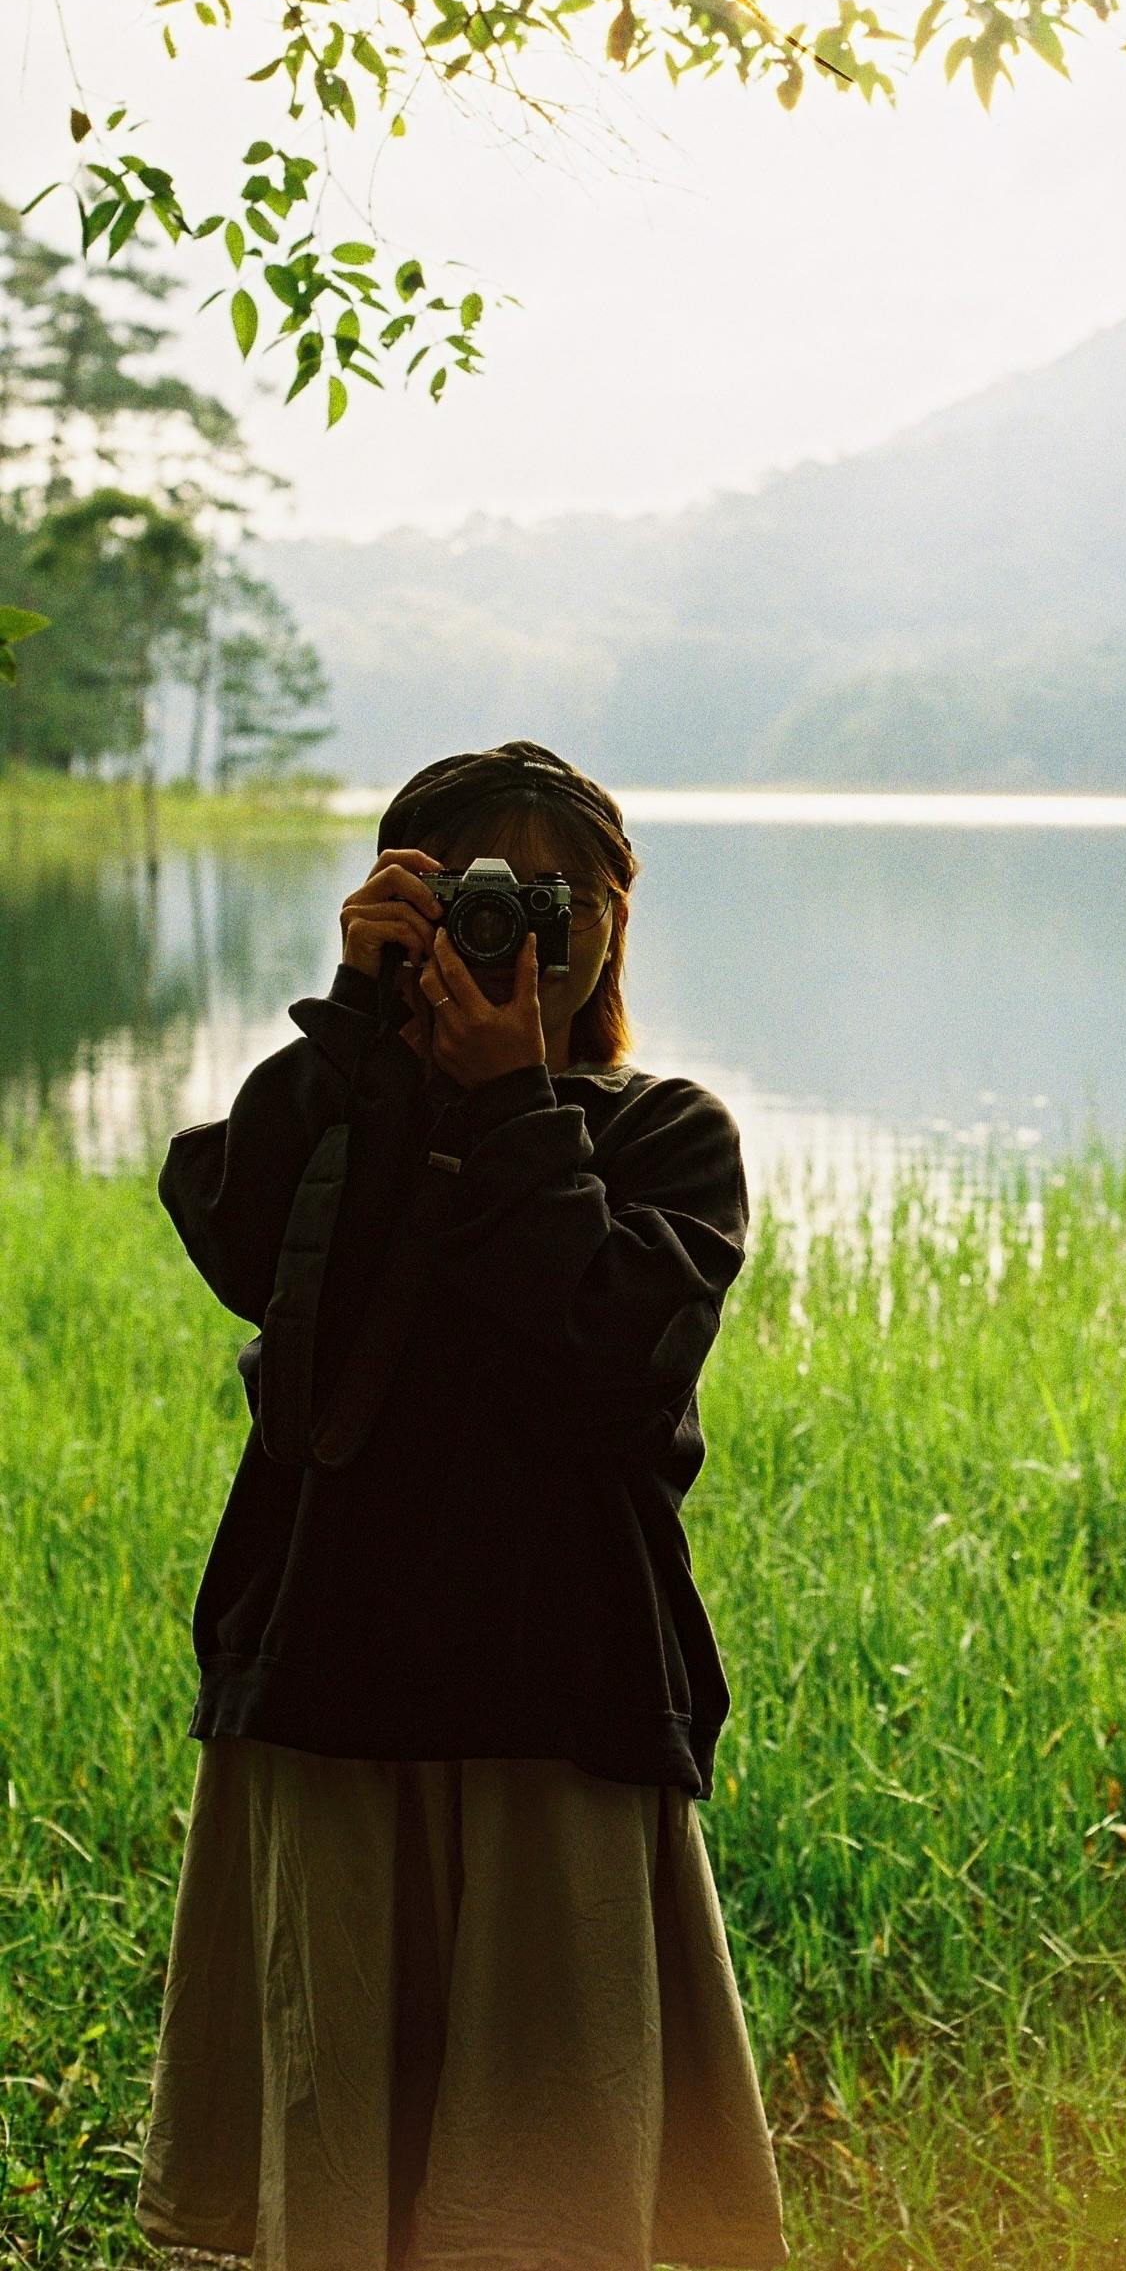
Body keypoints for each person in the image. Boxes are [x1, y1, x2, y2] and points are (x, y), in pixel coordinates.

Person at [134, 740, 791, 2271]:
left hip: (558, 1707)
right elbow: (230, 1225)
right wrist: (357, 1026)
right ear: (406, 908)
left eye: (564, 896)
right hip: (327, 1691)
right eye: (484, 890)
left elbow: (613, 1364)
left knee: (544, 2193)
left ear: (619, 924)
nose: (527, 929)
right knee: (337, 2173)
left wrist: (511, 1105)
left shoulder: (664, 1135)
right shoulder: (337, 1106)